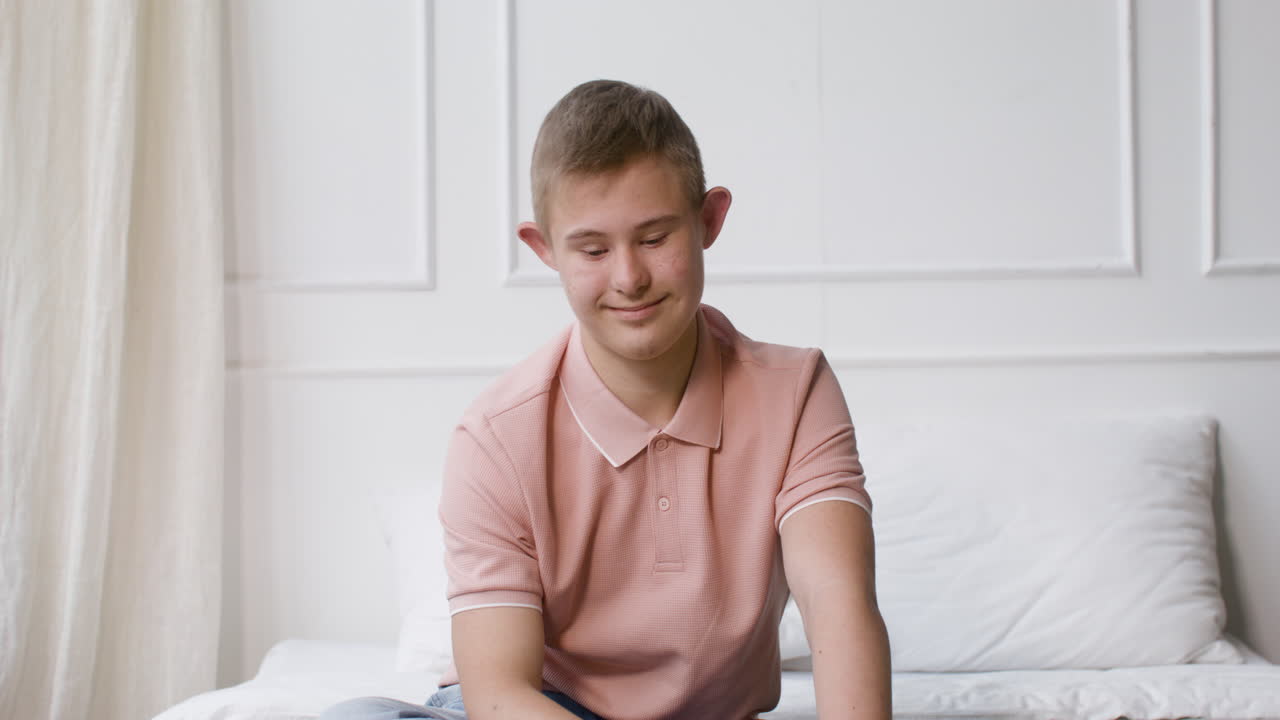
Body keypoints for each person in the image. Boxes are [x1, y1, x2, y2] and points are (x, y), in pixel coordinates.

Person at [319, 79, 891, 720]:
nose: (629, 278)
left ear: (708, 221)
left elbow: (840, 610)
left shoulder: (797, 392)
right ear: (545, 251)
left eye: (654, 239)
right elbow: (500, 694)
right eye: (593, 249)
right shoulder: (496, 436)